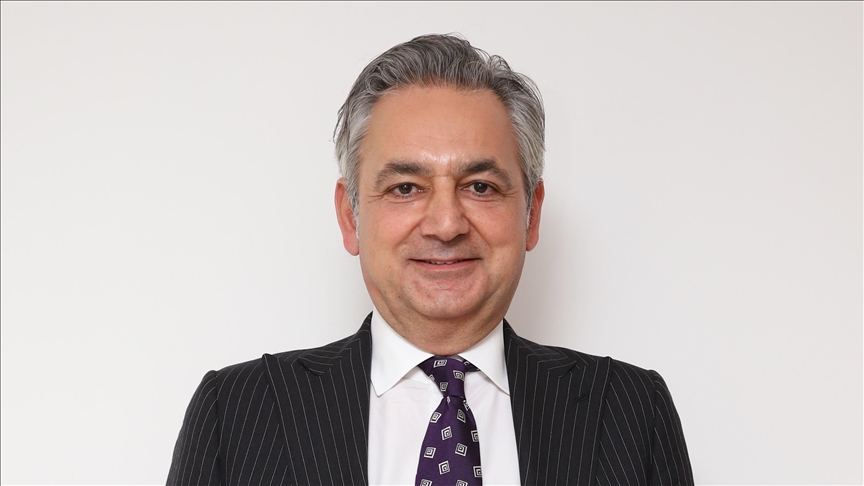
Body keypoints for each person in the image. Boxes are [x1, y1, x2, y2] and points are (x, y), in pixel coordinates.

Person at [167, 34, 693, 486]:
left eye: (480, 186)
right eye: (405, 188)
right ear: (350, 217)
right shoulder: (235, 413)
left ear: (531, 215)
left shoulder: (632, 411)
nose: (446, 224)